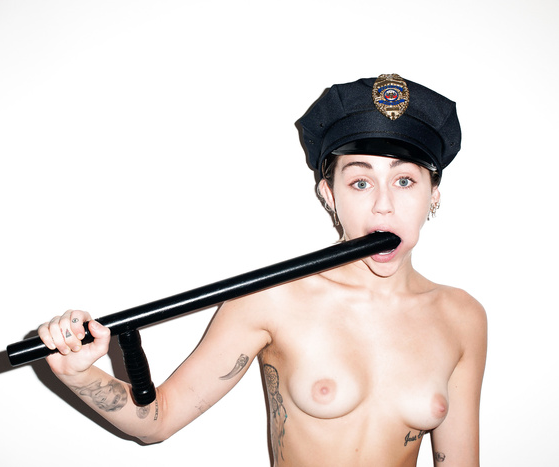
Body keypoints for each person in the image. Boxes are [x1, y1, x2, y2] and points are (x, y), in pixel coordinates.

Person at [38, 74, 487, 466]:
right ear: (330, 195)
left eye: (404, 181)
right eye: (360, 182)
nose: (383, 205)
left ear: (433, 195)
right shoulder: (272, 298)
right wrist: (79, 374)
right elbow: (158, 420)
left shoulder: (461, 316)